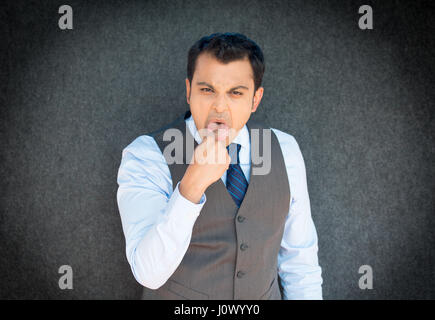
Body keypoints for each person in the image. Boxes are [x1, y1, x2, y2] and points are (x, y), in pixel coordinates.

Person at [116, 32, 323, 300]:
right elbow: (148, 273)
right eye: (207, 90)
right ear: (189, 91)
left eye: (235, 93)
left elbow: (300, 263)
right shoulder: (147, 154)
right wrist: (190, 187)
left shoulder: (284, 149)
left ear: (255, 99)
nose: (220, 107)